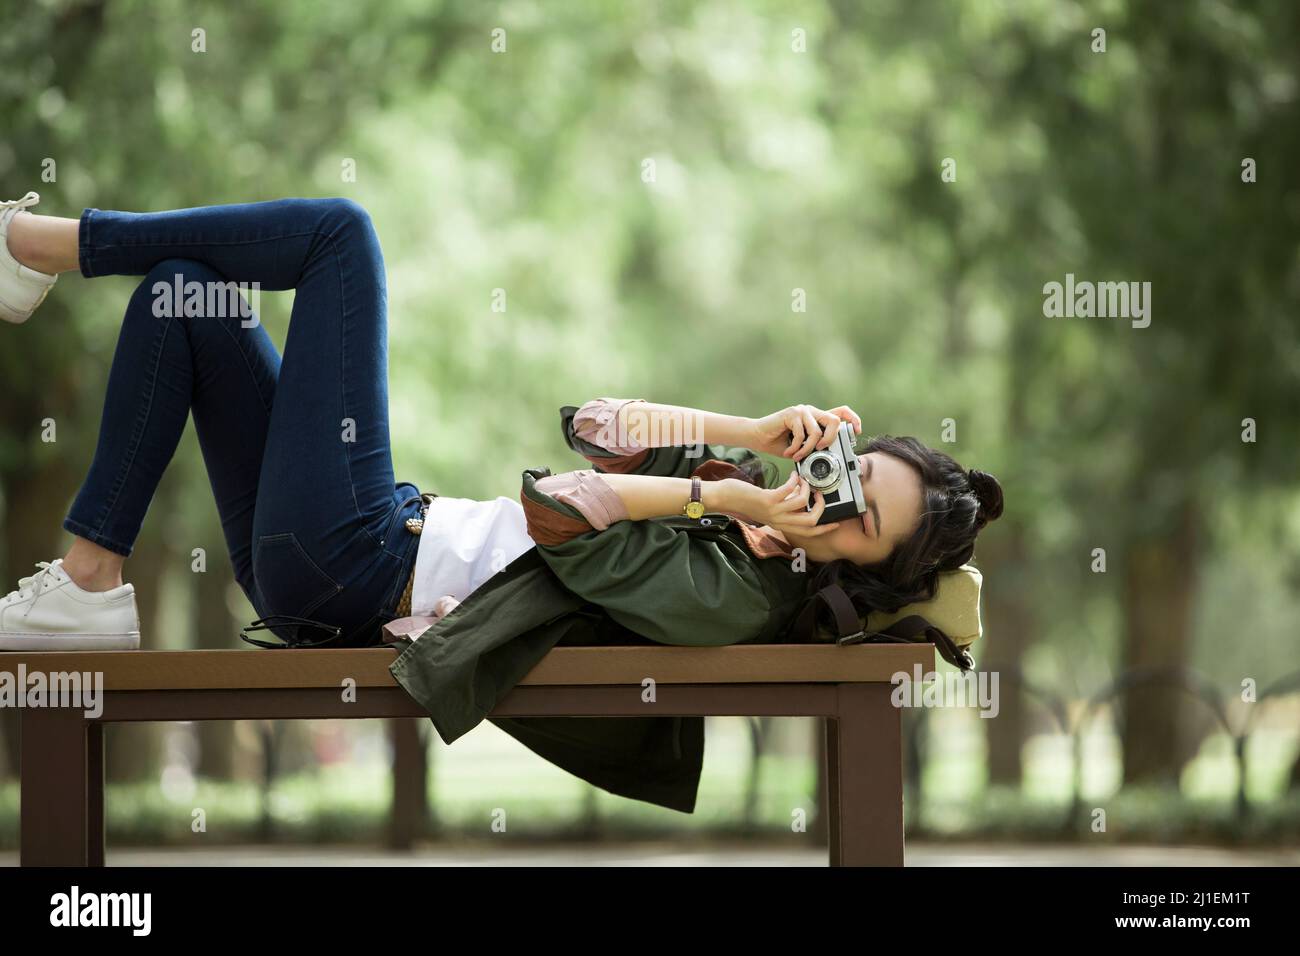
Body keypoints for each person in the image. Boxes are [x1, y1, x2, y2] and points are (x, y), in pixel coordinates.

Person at [0, 191, 1004, 658]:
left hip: (355, 565)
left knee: (340, 235)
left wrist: (727, 492)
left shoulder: (734, 595)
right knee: (185, 297)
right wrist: (746, 432)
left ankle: (39, 243)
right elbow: (597, 427)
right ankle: (90, 582)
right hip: (360, 536)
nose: (833, 496)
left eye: (857, 515)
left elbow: (557, 506)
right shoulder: (742, 521)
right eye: (851, 470)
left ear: (860, 564)